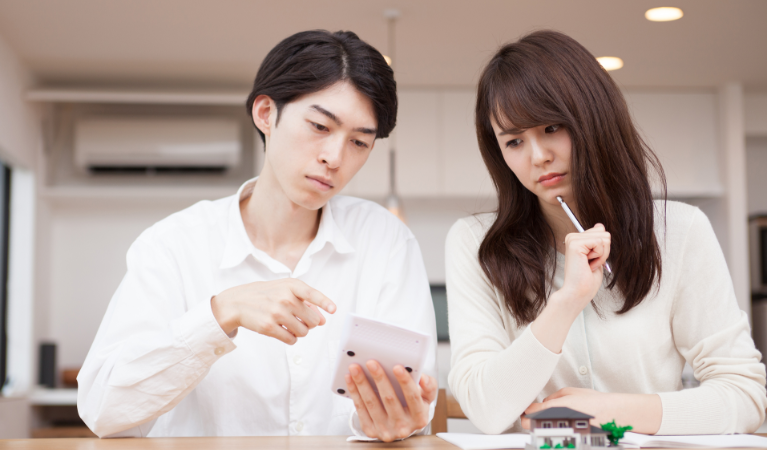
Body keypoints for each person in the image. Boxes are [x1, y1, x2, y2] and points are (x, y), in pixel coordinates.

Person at [77, 30, 438, 441]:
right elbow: (104, 410)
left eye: (359, 142)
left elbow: (402, 397)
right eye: (320, 126)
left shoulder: (382, 241)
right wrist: (219, 314)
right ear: (266, 113)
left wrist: (395, 418)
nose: (335, 158)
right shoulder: (174, 246)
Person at [445, 30, 766, 436]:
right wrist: (567, 302)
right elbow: (486, 409)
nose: (538, 156)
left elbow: (746, 396)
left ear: (594, 117)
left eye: (551, 127)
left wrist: (612, 412)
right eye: (513, 142)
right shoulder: (475, 243)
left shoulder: (678, 232)